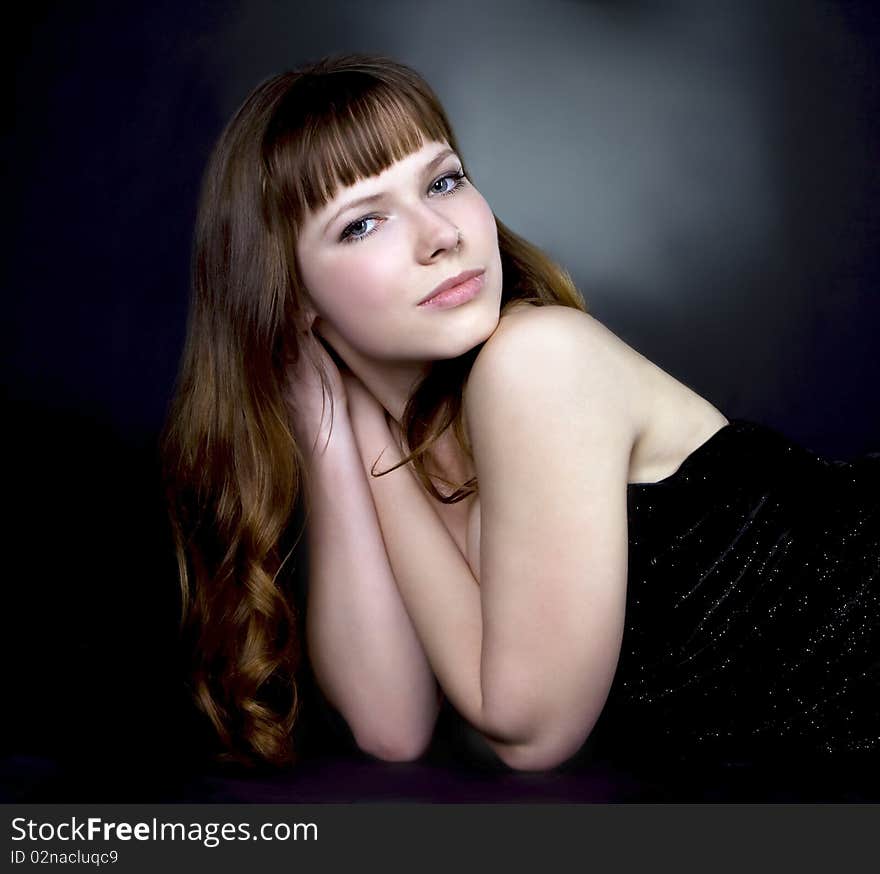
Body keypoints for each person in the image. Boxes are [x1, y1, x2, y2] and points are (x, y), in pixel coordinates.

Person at [161, 53, 879, 775]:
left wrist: (358, 402)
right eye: (362, 224)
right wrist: (331, 418)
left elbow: (530, 730)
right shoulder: (422, 445)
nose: (441, 232)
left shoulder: (534, 361)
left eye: (443, 181)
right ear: (291, 295)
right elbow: (393, 726)